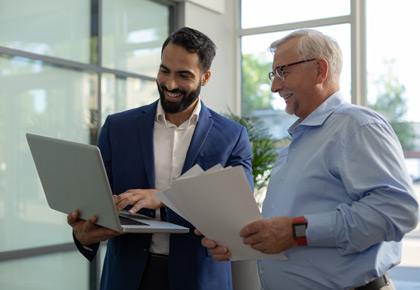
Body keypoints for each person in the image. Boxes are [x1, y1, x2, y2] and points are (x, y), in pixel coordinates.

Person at [199, 29, 419, 290]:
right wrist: (240, 242)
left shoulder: (356, 126)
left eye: (283, 72)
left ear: (319, 70)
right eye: (274, 75)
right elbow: (286, 234)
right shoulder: (294, 148)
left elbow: (398, 211)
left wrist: (296, 232)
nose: (274, 87)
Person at [67, 27, 253, 290]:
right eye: (164, 70)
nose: (170, 84)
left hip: (200, 279)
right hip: (128, 278)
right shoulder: (118, 127)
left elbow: (236, 210)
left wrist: (165, 195)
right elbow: (97, 201)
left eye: (184, 75)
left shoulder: (233, 136)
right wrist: (83, 232)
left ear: (205, 77)